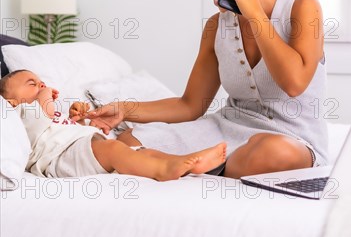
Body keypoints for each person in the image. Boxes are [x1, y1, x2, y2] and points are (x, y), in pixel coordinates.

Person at [71, 0, 328, 178]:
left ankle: (197, 165)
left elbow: (293, 83)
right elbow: (190, 105)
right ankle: (204, 164)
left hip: (291, 138)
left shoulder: (303, 7)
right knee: (128, 141)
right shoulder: (216, 28)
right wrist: (123, 109)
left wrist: (253, 11)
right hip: (225, 129)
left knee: (273, 152)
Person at [0, 70, 227, 181]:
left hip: (78, 149)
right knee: (114, 149)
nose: (40, 84)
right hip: (60, 159)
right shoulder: (17, 113)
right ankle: (163, 171)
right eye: (32, 83)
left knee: (142, 151)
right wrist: (45, 93)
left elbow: (60, 126)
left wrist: (80, 119)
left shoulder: (43, 110)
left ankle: (183, 165)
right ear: (10, 101)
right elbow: (43, 115)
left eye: (41, 82)